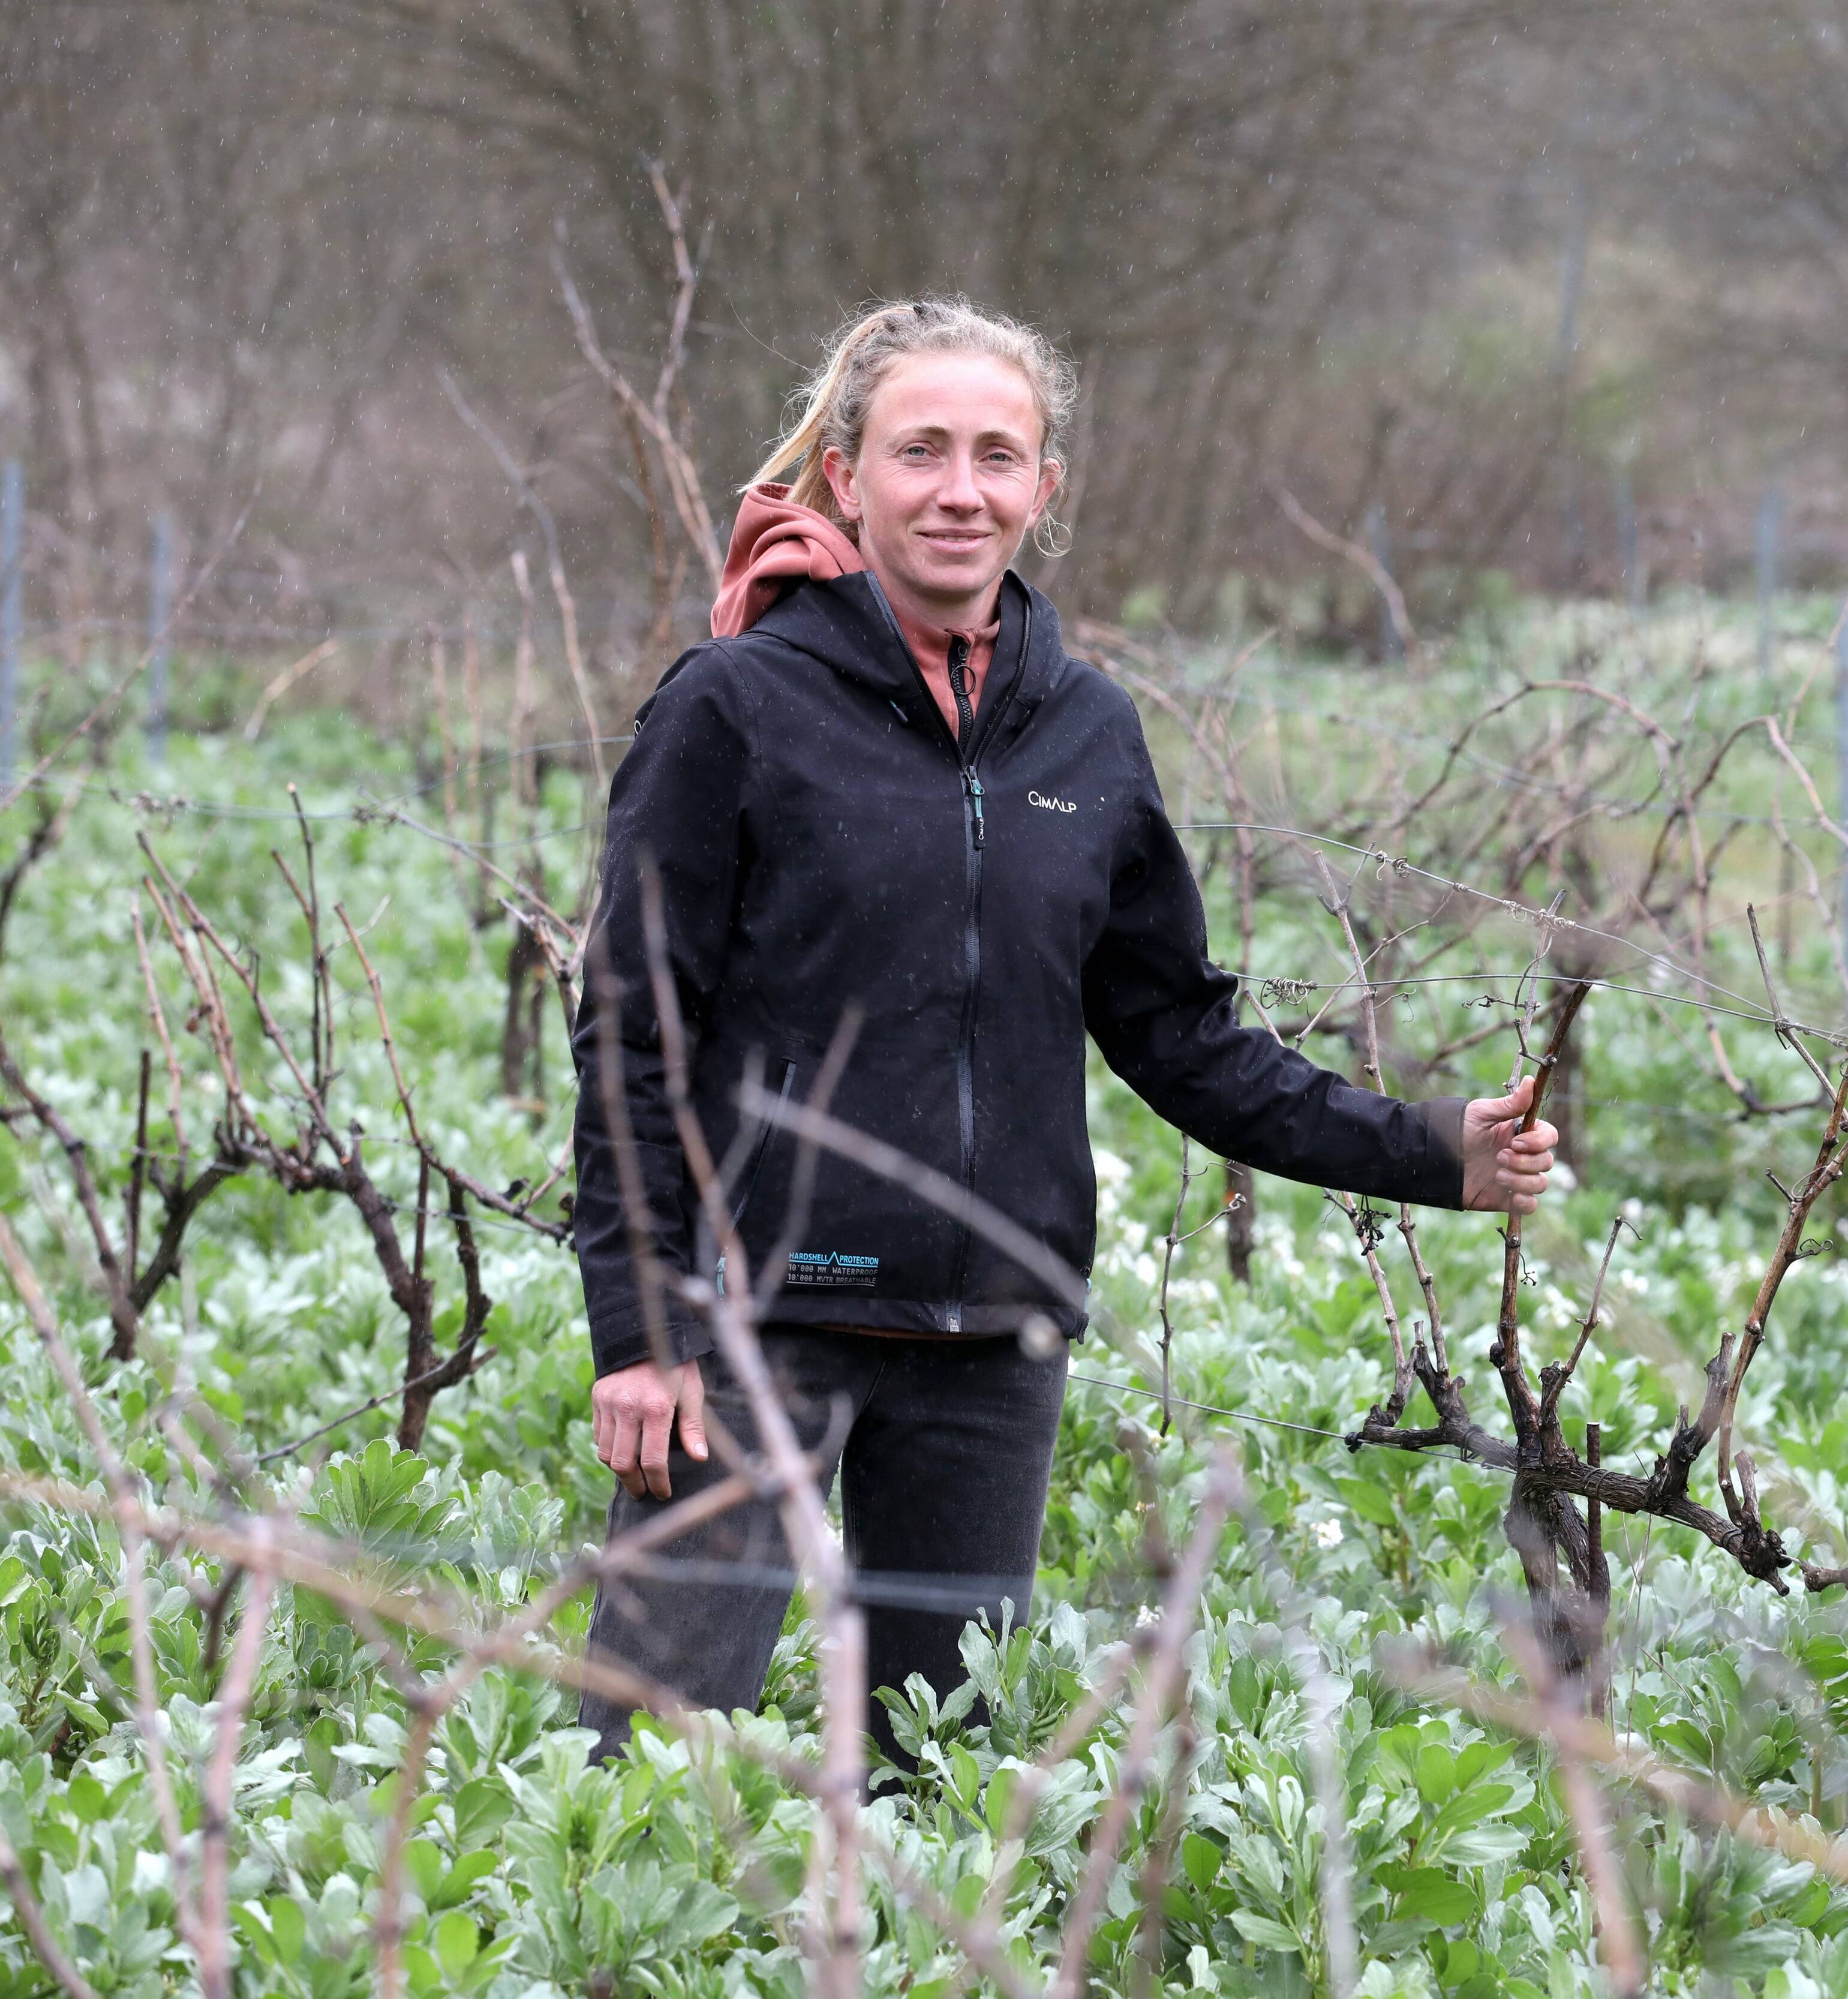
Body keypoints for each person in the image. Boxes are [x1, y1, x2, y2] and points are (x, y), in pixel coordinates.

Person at [569, 296, 1558, 1761]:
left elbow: (1177, 1032)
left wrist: (1426, 1148)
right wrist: (644, 1328)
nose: (959, 489)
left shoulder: (1084, 728)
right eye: (920, 451)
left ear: (1046, 487)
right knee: (647, 1766)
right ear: (846, 476)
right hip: (747, 1328)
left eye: (996, 454)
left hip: (993, 1335)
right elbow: (632, 1028)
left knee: (951, 1778)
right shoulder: (736, 706)